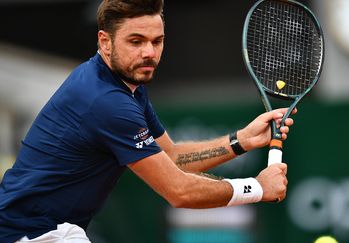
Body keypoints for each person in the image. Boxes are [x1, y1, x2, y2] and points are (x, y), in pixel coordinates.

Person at [0, 0, 296, 242]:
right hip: (31, 235)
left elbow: (172, 157)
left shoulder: (125, 86)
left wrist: (240, 140)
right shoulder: (106, 101)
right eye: (136, 41)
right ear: (105, 41)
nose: (149, 53)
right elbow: (179, 191)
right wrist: (256, 188)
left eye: (157, 41)